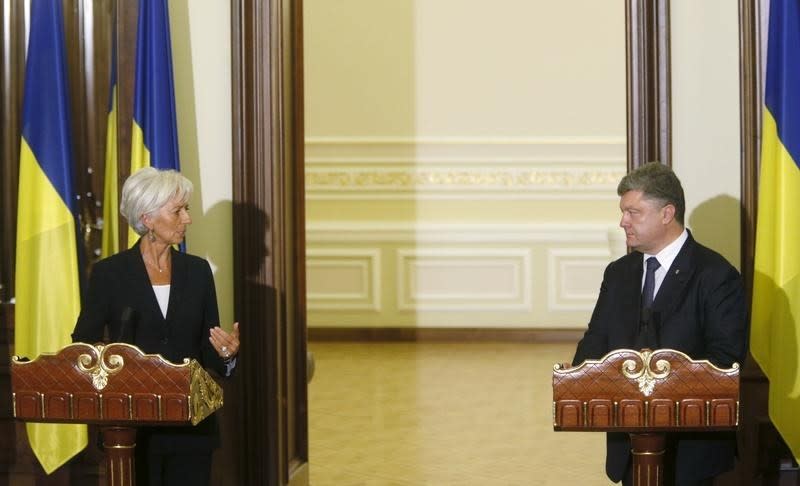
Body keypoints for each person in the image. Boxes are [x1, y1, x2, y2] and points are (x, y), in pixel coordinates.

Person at [572, 161, 747, 486]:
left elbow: (726, 360)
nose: (623, 222)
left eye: (633, 212)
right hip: (630, 443)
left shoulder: (716, 275)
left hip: (690, 452)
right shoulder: (619, 273)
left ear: (667, 213)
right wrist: (580, 377)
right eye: (623, 212)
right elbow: (594, 343)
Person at [72, 167, 240, 486]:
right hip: (133, 429)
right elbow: (83, 344)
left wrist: (227, 355)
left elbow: (209, 353)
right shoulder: (110, 274)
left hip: (191, 429)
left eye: (186, 209)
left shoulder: (198, 272)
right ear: (147, 218)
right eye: (178, 210)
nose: (187, 219)